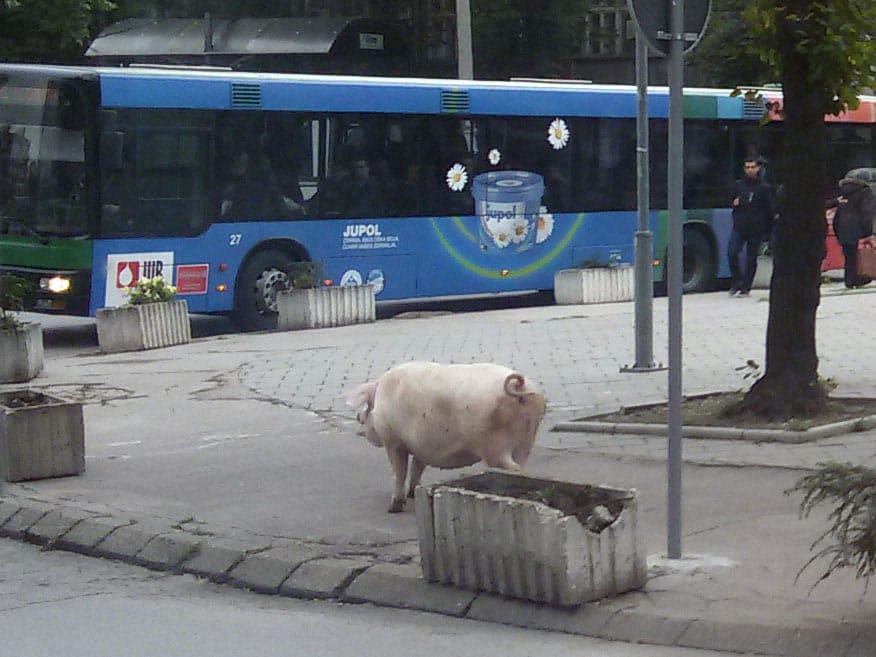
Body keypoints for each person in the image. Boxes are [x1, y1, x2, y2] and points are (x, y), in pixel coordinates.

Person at [728, 157, 773, 296]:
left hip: (756, 227)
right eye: (747, 167)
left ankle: (746, 286)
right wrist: (733, 203)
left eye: (752, 167)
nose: (750, 170)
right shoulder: (738, 185)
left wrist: (768, 229)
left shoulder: (764, 188)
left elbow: (768, 209)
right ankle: (737, 281)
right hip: (739, 225)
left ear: (758, 168)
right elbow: (730, 199)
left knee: (751, 257)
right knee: (732, 252)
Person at [831, 172, 876, 288]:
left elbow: (837, 214)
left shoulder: (843, 192)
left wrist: (837, 231)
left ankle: (850, 280)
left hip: (843, 228)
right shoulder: (865, 192)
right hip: (857, 227)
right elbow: (867, 213)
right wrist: (867, 232)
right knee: (860, 255)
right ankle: (859, 278)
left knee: (849, 256)